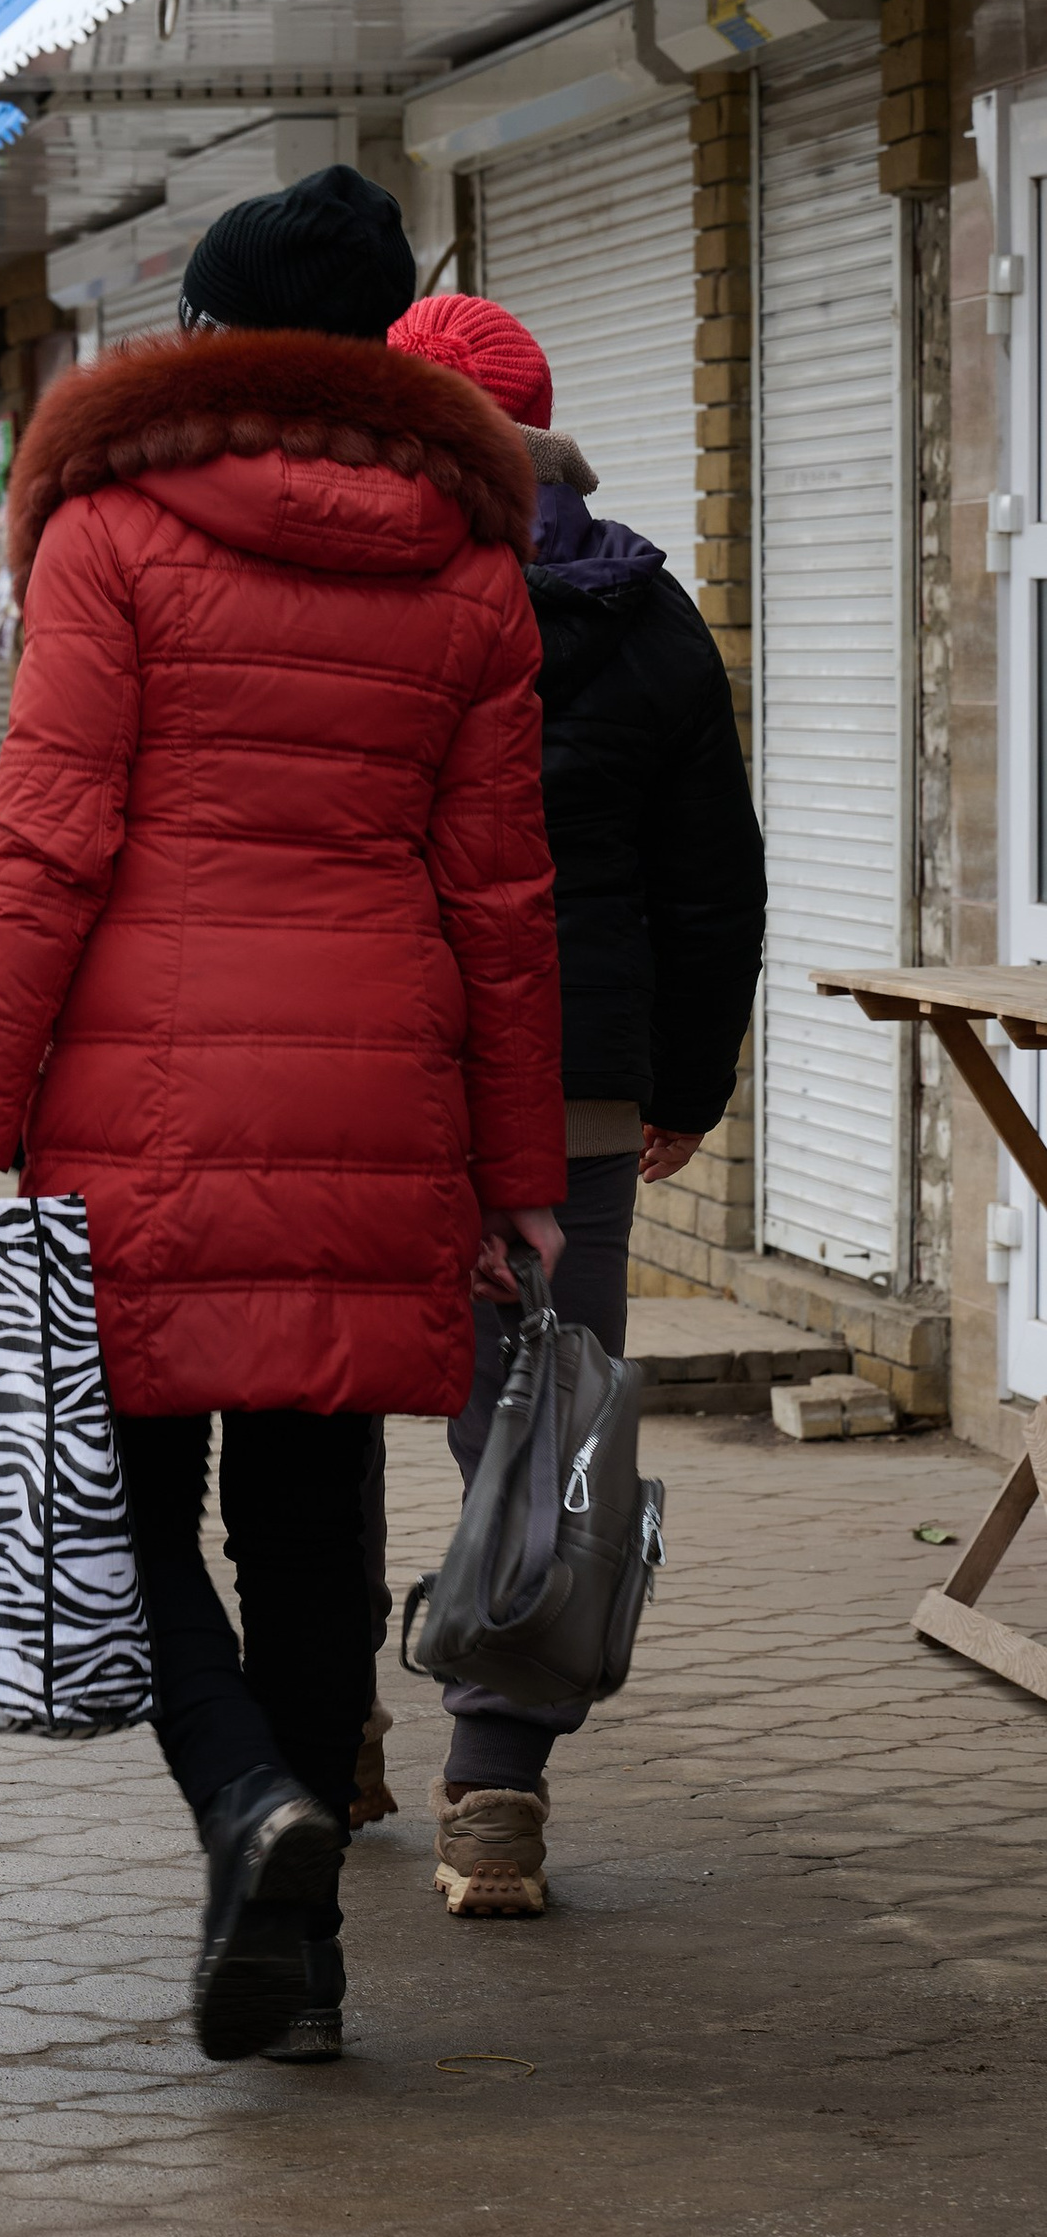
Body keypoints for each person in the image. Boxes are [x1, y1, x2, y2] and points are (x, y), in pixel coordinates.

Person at [0, 167, 566, 2068]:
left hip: (146, 1081)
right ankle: (308, 1962)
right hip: (380, 1077)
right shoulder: (467, 557)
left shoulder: (111, 534)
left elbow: (40, 851)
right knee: (311, 1506)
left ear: (215, 334)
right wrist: (520, 1173)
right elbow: (506, 896)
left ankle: (244, 1807)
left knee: (117, 1496)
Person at [391, 287, 766, 1918]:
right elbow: (713, 884)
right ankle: (496, 1788)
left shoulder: (340, 589)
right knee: (547, 1413)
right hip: (572, 1088)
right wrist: (684, 1082)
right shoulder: (648, 614)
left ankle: (328, 1728)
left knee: (317, 1405)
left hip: (362, 1070)